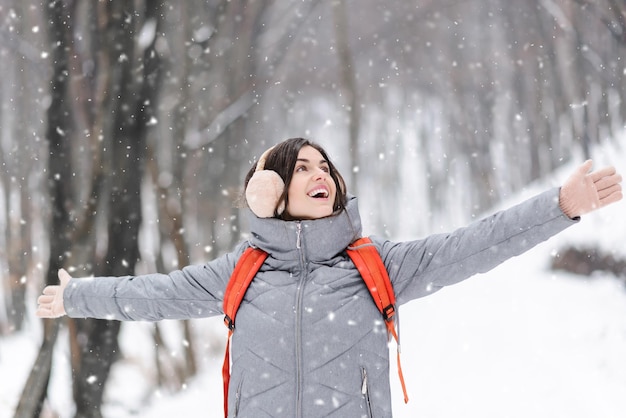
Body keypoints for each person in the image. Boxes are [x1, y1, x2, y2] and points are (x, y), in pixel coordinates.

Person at [37, 137, 622, 418]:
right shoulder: (242, 271)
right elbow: (155, 294)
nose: (320, 175)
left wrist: (560, 206)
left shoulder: (377, 266)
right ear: (269, 192)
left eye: (325, 166)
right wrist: (76, 296)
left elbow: (474, 245)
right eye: (302, 168)